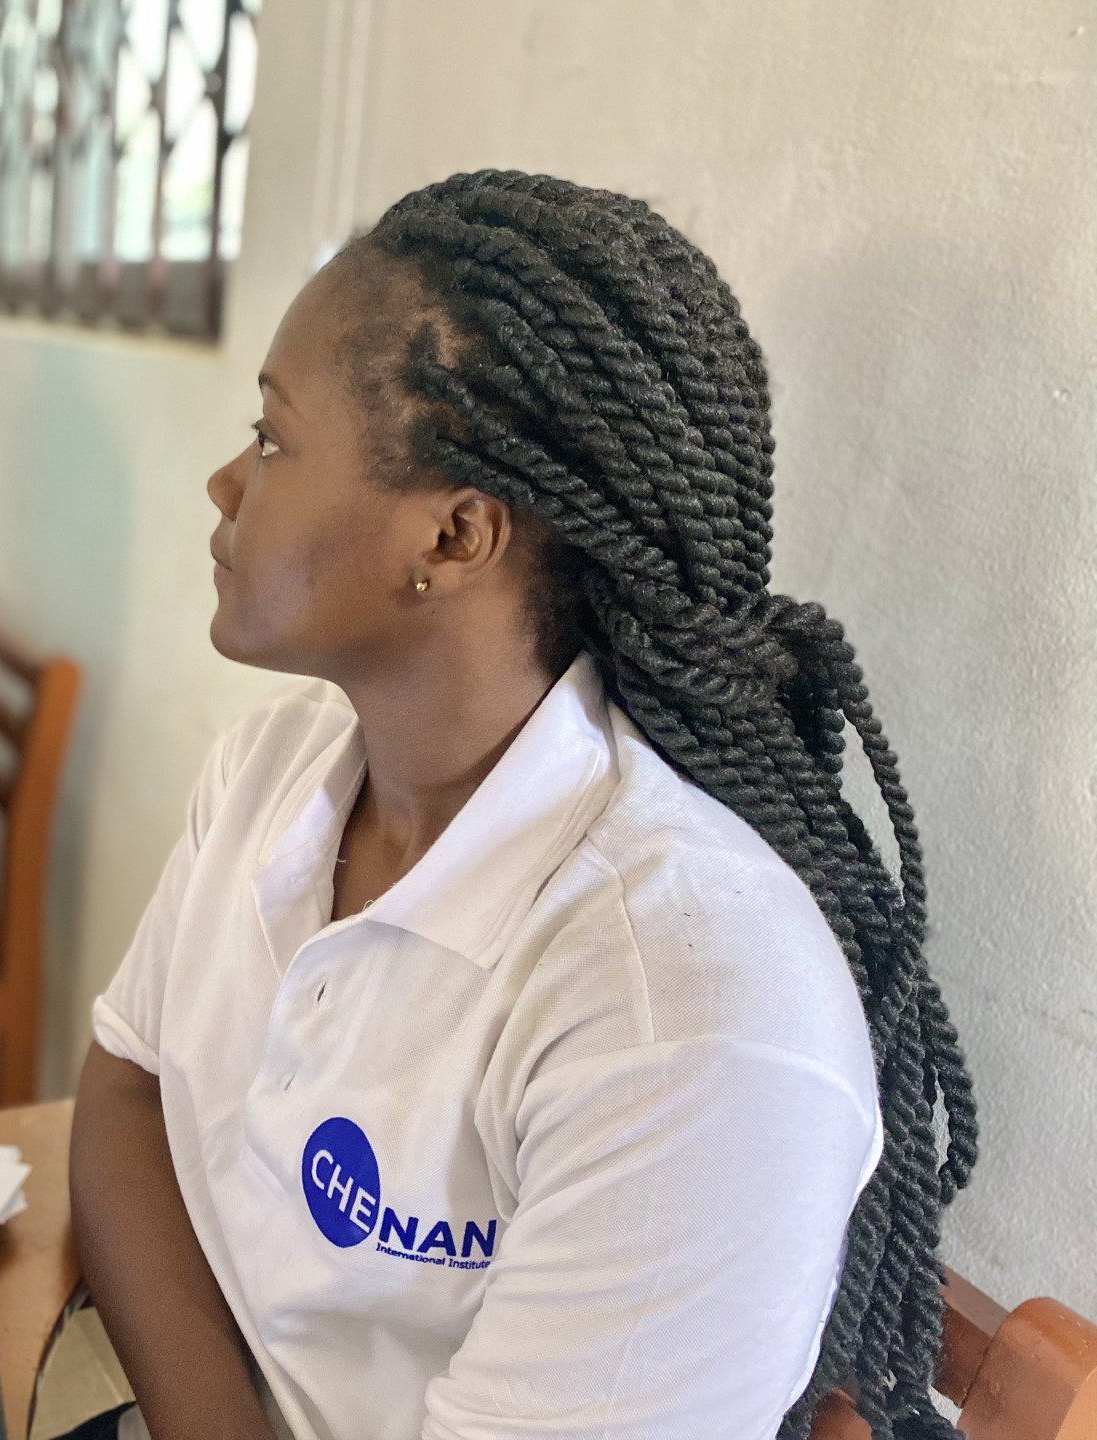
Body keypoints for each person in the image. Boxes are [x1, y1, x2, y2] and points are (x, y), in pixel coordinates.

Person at [68, 173, 976, 1440]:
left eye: (273, 439)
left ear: (454, 538)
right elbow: (122, 1094)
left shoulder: (685, 1006)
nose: (227, 482)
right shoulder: (269, 776)